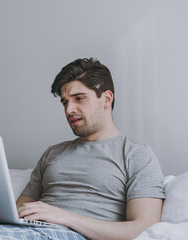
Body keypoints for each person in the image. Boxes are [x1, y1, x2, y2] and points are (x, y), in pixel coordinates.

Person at [16, 58, 165, 240]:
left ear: (106, 99)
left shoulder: (137, 155)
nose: (69, 109)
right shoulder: (52, 153)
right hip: (26, 231)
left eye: (79, 98)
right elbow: (17, 210)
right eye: (65, 102)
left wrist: (65, 217)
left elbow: (143, 229)